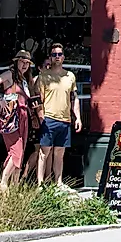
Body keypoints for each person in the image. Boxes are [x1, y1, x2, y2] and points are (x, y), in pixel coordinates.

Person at [32, 42, 80, 187]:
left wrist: (77, 117)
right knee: (44, 152)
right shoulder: (43, 76)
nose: (57, 57)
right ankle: (41, 184)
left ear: (63, 57)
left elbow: (74, 97)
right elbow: (37, 99)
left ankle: (58, 182)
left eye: (59, 54)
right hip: (48, 118)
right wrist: (39, 116)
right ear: (50, 58)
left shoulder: (69, 76)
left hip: (65, 119)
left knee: (60, 153)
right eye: (54, 55)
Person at [0, 49, 35, 189]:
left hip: (24, 117)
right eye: (22, 62)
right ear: (16, 62)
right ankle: (3, 183)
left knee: (20, 152)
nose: (24, 65)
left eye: (27, 63)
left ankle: (14, 185)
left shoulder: (24, 80)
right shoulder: (9, 74)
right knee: (16, 151)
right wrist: (0, 99)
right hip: (11, 117)